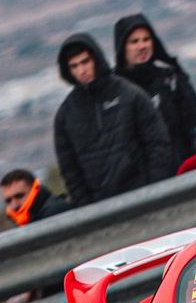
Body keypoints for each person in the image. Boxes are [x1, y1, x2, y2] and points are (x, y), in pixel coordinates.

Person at [53, 34, 174, 206]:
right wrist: (87, 208)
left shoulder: (130, 95)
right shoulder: (65, 116)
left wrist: (153, 190)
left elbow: (158, 145)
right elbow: (70, 171)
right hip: (101, 209)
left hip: (143, 197)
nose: (81, 70)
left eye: (85, 62)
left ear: (96, 59)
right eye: (74, 66)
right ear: (68, 71)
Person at [113, 14, 196, 168]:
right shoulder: (115, 92)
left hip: (184, 169)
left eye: (146, 39)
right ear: (122, 47)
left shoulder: (171, 78)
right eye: (134, 41)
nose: (142, 46)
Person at [0, 168, 71, 227]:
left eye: (19, 196)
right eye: (8, 201)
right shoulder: (21, 222)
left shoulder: (55, 211)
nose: (14, 205)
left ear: (34, 190)